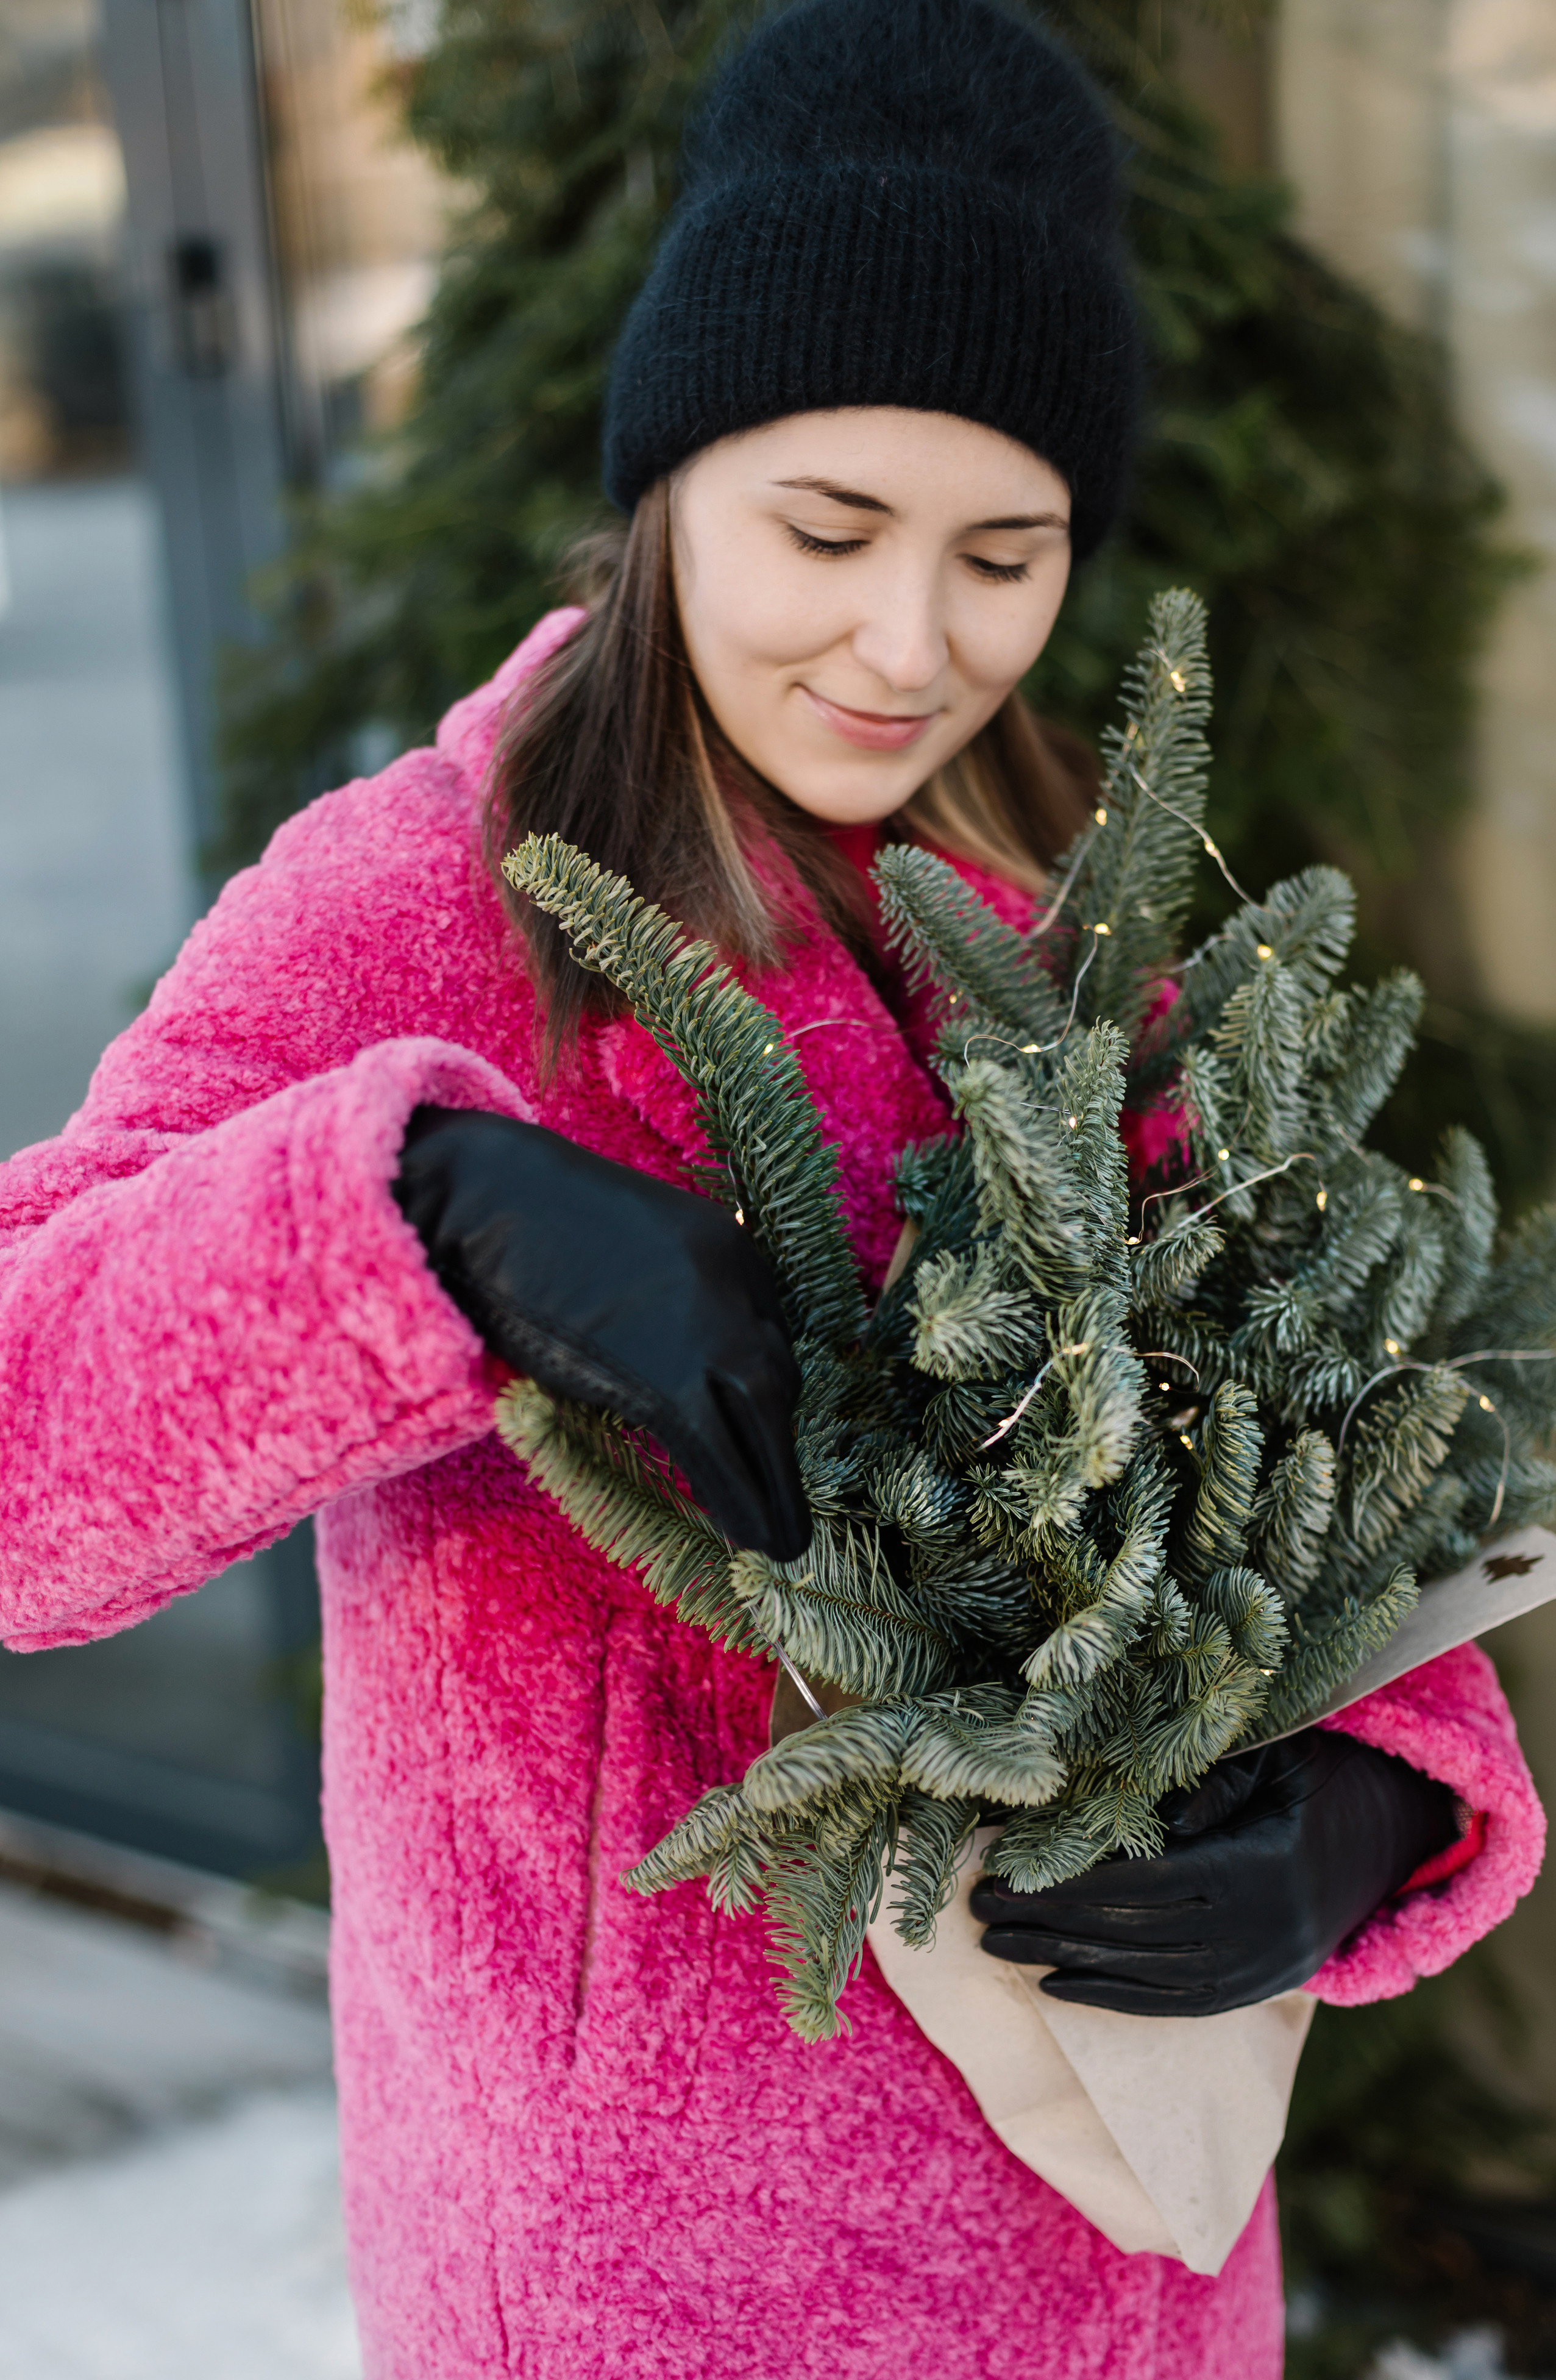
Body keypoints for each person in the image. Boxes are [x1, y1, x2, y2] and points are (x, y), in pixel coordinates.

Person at [0, 2, 1542, 2373]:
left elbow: (1317, 1477)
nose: (911, 643)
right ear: (666, 492)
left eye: (1006, 553)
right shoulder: (436, 898)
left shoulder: (1068, 942)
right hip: (658, 2295)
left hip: (1118, 2255)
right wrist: (431, 1216)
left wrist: (1369, 1799)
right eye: (825, 529)